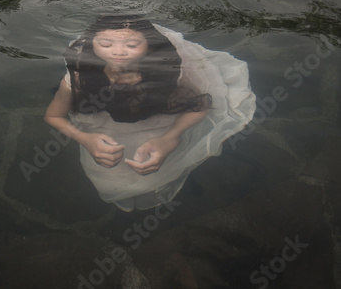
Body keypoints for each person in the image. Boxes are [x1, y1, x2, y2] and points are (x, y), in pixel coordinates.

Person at [45, 14, 256, 212]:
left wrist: (170, 138)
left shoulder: (165, 75)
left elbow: (198, 106)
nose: (118, 52)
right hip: (102, 133)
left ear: (149, 47)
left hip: (156, 129)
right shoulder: (78, 80)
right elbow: (53, 116)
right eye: (106, 44)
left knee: (159, 173)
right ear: (92, 45)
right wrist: (84, 138)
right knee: (111, 182)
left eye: (132, 45)